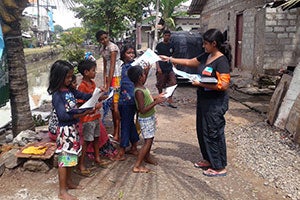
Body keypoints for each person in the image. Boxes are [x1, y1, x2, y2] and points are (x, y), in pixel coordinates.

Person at [160, 28, 232, 177]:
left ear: (214, 43)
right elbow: (189, 62)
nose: (203, 46)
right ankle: (208, 159)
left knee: (214, 132)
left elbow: (224, 85)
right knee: (203, 130)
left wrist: (201, 84)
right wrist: (169, 59)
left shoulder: (222, 60)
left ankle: (219, 166)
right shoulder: (207, 56)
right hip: (204, 99)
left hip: (216, 102)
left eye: (205, 43)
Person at [47, 60, 95, 200]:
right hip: (64, 131)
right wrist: (82, 113)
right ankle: (62, 191)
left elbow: (83, 96)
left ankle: (68, 182)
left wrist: (97, 95)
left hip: (73, 128)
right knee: (64, 159)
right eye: (67, 77)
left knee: (71, 157)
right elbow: (63, 115)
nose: (70, 80)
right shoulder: (57, 94)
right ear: (59, 77)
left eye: (70, 77)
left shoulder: (70, 90)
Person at [127, 65, 166, 173]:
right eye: (144, 74)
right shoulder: (138, 91)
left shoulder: (141, 87)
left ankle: (147, 156)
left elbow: (147, 98)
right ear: (140, 77)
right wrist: (156, 102)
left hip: (150, 117)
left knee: (151, 138)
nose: (145, 76)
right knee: (147, 141)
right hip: (146, 118)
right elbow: (142, 109)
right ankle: (137, 165)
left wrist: (157, 97)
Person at [77, 59, 110, 175]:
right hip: (87, 118)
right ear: (86, 72)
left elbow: (94, 98)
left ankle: (97, 158)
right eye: (93, 71)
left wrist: (102, 96)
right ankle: (81, 164)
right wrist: (95, 106)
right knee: (86, 141)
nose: (95, 73)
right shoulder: (82, 86)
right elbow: (81, 104)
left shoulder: (93, 84)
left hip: (95, 117)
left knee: (96, 138)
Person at [114, 44, 140, 161]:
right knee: (129, 122)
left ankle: (122, 149)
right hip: (123, 99)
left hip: (130, 100)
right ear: (123, 54)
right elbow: (118, 85)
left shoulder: (135, 66)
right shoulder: (122, 67)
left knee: (125, 124)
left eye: (133, 53)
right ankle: (134, 146)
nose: (131, 55)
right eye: (129, 53)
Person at [96, 30, 122, 143]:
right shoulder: (103, 49)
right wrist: (105, 82)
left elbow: (112, 66)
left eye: (105, 37)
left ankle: (117, 132)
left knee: (115, 106)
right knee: (111, 105)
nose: (104, 40)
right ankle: (115, 131)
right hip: (109, 78)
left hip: (116, 77)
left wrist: (109, 84)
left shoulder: (113, 48)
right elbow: (105, 67)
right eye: (102, 39)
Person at [48, 75, 77, 142]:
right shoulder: (62, 96)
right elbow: (66, 116)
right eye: (74, 83)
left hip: (55, 129)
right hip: (58, 132)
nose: (76, 85)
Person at [155, 30, 177, 108]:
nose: (167, 37)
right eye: (166, 35)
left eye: (168, 35)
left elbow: (173, 56)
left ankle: (169, 98)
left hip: (169, 68)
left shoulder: (172, 45)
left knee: (173, 82)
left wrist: (174, 65)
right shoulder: (159, 46)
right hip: (161, 68)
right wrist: (158, 67)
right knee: (160, 84)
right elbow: (156, 58)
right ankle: (160, 98)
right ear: (163, 36)